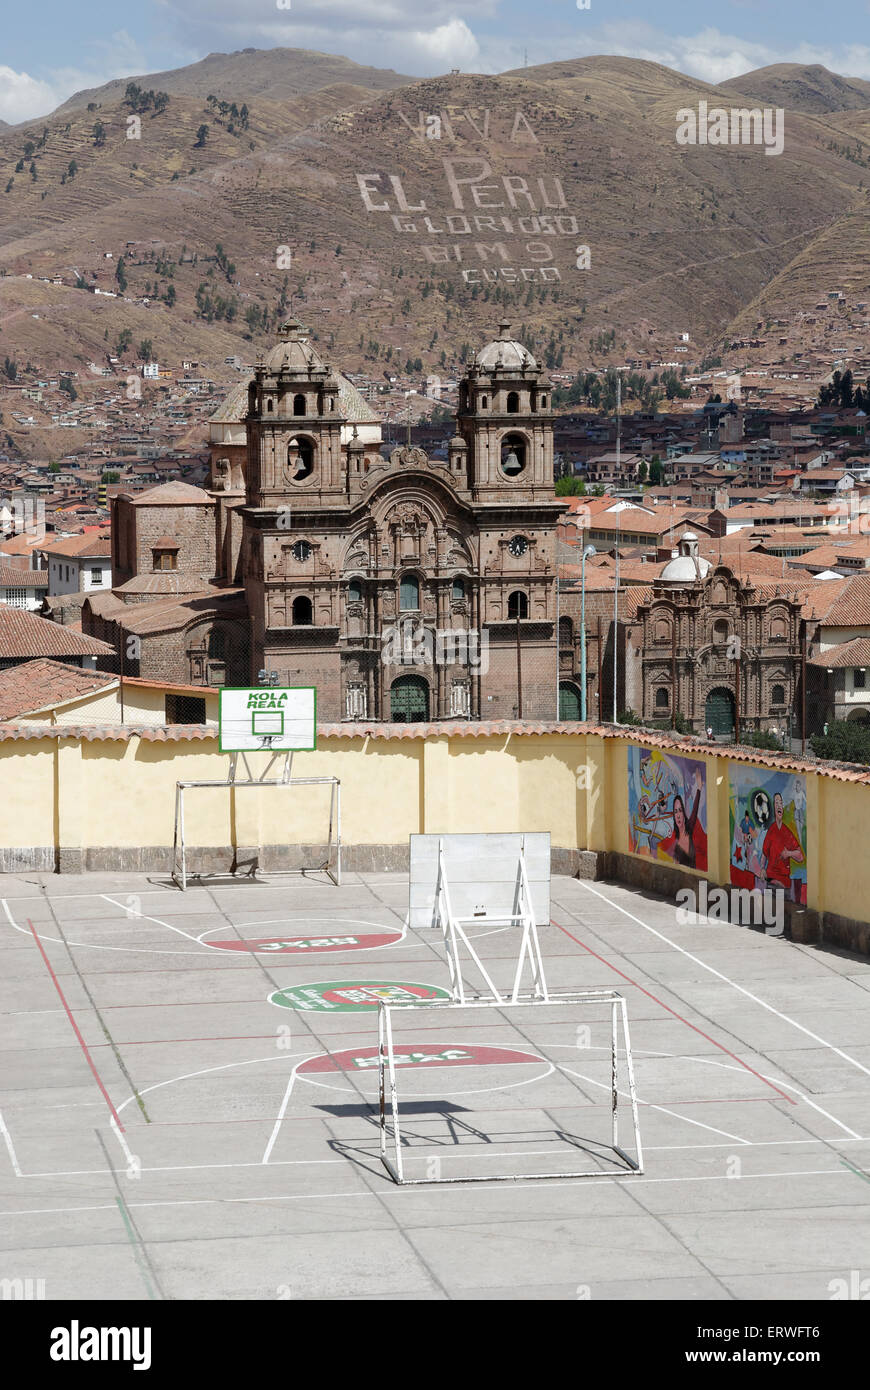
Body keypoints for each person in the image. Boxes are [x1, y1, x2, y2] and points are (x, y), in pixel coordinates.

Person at [761, 791, 804, 894]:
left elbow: (800, 856)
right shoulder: (771, 830)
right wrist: (762, 868)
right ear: (773, 807)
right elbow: (764, 853)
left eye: (781, 803)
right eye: (777, 803)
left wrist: (789, 853)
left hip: (784, 884)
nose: (779, 805)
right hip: (770, 880)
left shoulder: (787, 833)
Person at [672, 769, 703, 868]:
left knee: (703, 884)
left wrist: (699, 787)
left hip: (697, 880)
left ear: (684, 813)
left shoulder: (689, 827)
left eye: (680, 810)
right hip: (683, 882)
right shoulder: (675, 840)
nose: (678, 815)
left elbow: (695, 808)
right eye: (675, 811)